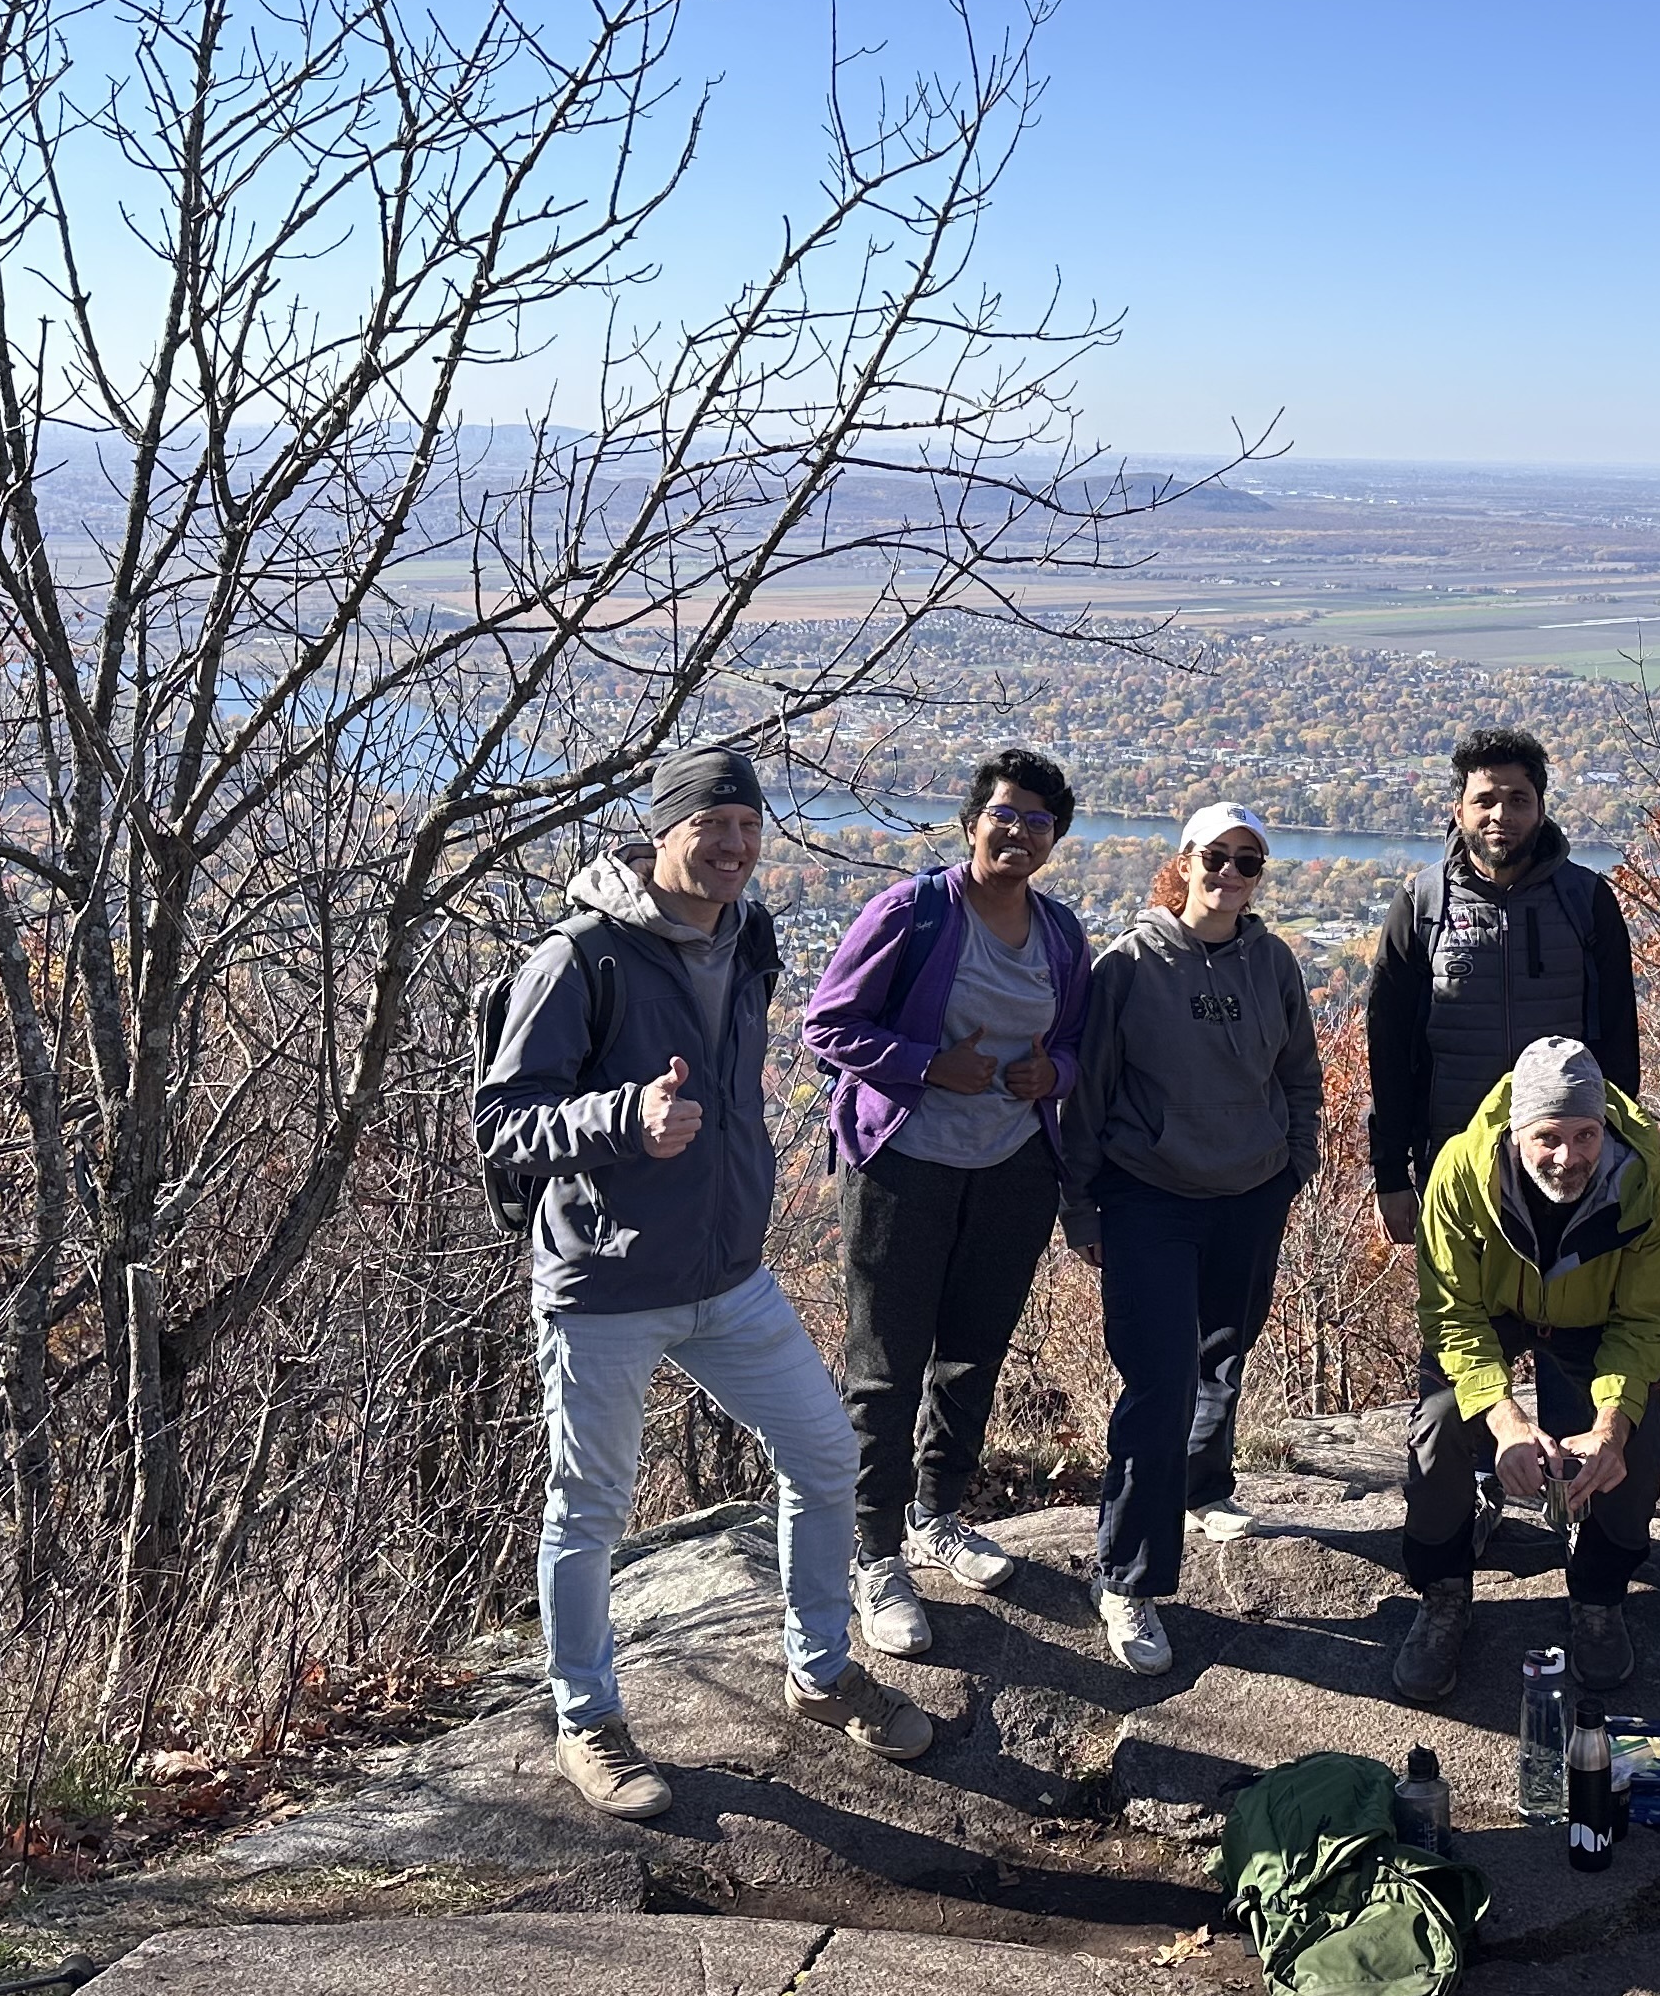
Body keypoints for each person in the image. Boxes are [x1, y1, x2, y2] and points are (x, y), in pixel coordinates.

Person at [473, 747, 935, 1818]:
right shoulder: (579, 959)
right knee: (588, 1511)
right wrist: (616, 1119)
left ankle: (820, 1672)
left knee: (827, 1455)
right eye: (710, 827)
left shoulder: (750, 936)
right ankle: (588, 1720)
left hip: (727, 1275)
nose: (732, 848)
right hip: (607, 1283)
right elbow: (500, 1121)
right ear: (662, 830)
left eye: (746, 830)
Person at [801, 750, 1094, 1660]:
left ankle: (938, 1516)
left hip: (1013, 1169)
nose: (1019, 833)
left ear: (1054, 841)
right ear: (972, 821)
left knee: (974, 1354)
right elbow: (827, 1024)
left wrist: (1056, 1074)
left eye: (1039, 823)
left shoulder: (1060, 934)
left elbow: (1081, 1046)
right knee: (886, 1365)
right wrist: (930, 1066)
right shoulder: (913, 913)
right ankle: (874, 1551)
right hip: (906, 1166)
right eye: (1005, 815)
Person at [1062, 802, 1324, 1676]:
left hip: (1250, 1193)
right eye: (1217, 856)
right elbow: (1087, 1094)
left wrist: (1294, 1163)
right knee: (1160, 1379)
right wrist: (1082, 1208)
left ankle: (1206, 1484)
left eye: (1249, 861)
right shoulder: (1129, 966)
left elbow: (1299, 1073)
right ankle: (1127, 1580)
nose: (1231, 872)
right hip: (1151, 1197)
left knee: (1226, 1349)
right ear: (1184, 862)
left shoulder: (1273, 961)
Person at [1387, 1038, 1660, 1706]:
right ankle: (1443, 1593)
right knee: (1437, 1425)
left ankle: (1600, 1595)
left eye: (1585, 1135)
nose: (1568, 1156)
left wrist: (1609, 1425)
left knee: (1639, 1438)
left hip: (1597, 1318)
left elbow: (1643, 1322)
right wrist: (1507, 1421)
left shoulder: (1650, 1186)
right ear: (1515, 1131)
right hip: (1493, 1310)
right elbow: (1451, 1314)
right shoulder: (1460, 1174)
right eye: (1548, 1137)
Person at [1365, 727, 1640, 1247]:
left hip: (1568, 1162)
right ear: (1458, 810)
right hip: (1452, 1159)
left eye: (1518, 800)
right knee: (1457, 1317)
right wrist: (1391, 1174)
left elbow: (1619, 1035)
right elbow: (1389, 1046)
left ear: (1540, 809)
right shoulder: (1422, 906)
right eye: (1484, 800)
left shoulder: (1586, 899)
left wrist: (1620, 1147)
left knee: (1566, 1312)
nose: (1500, 816)